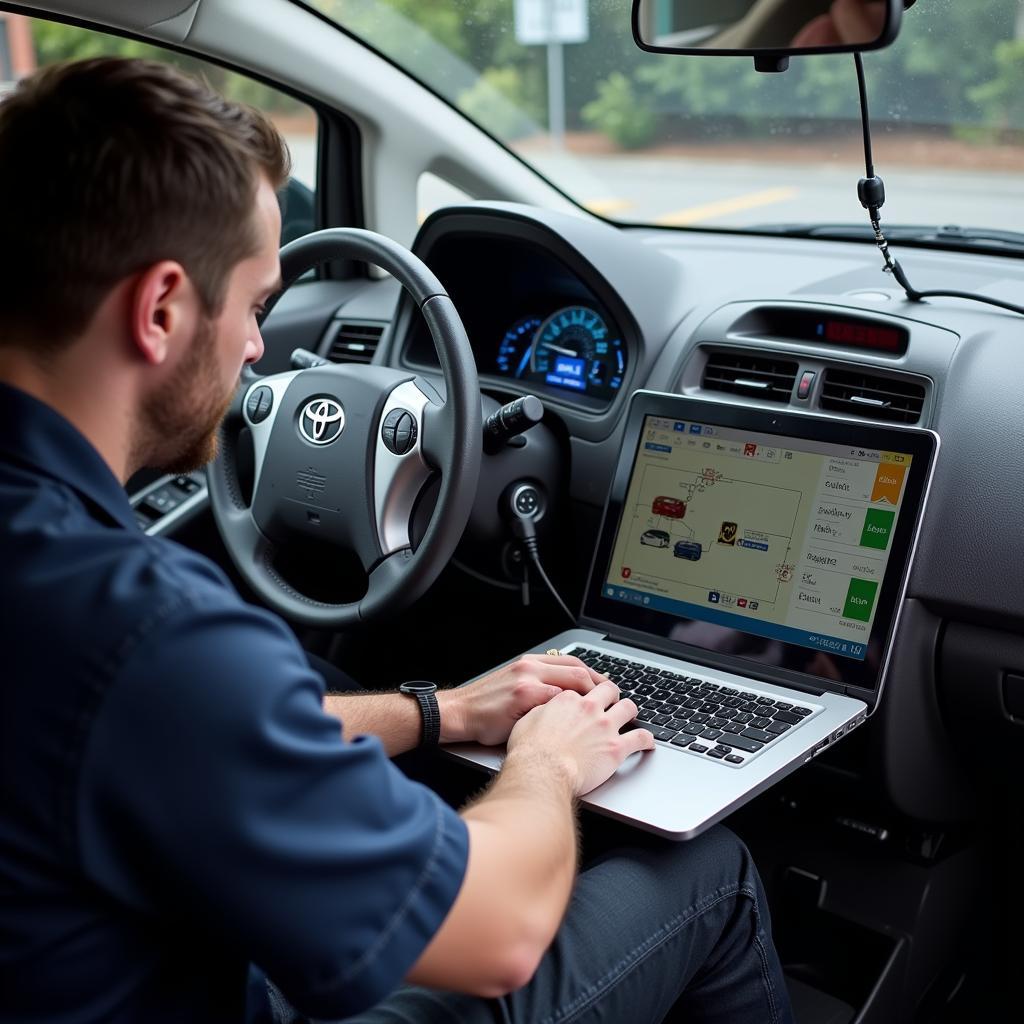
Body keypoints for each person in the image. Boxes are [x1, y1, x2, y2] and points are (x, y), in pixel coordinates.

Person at [0, 58, 794, 1024]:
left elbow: (200, 741)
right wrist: (548, 761)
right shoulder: (146, 632)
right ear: (161, 309)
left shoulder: (77, 599)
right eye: (256, 306)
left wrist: (445, 711)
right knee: (708, 871)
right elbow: (497, 931)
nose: (260, 351)